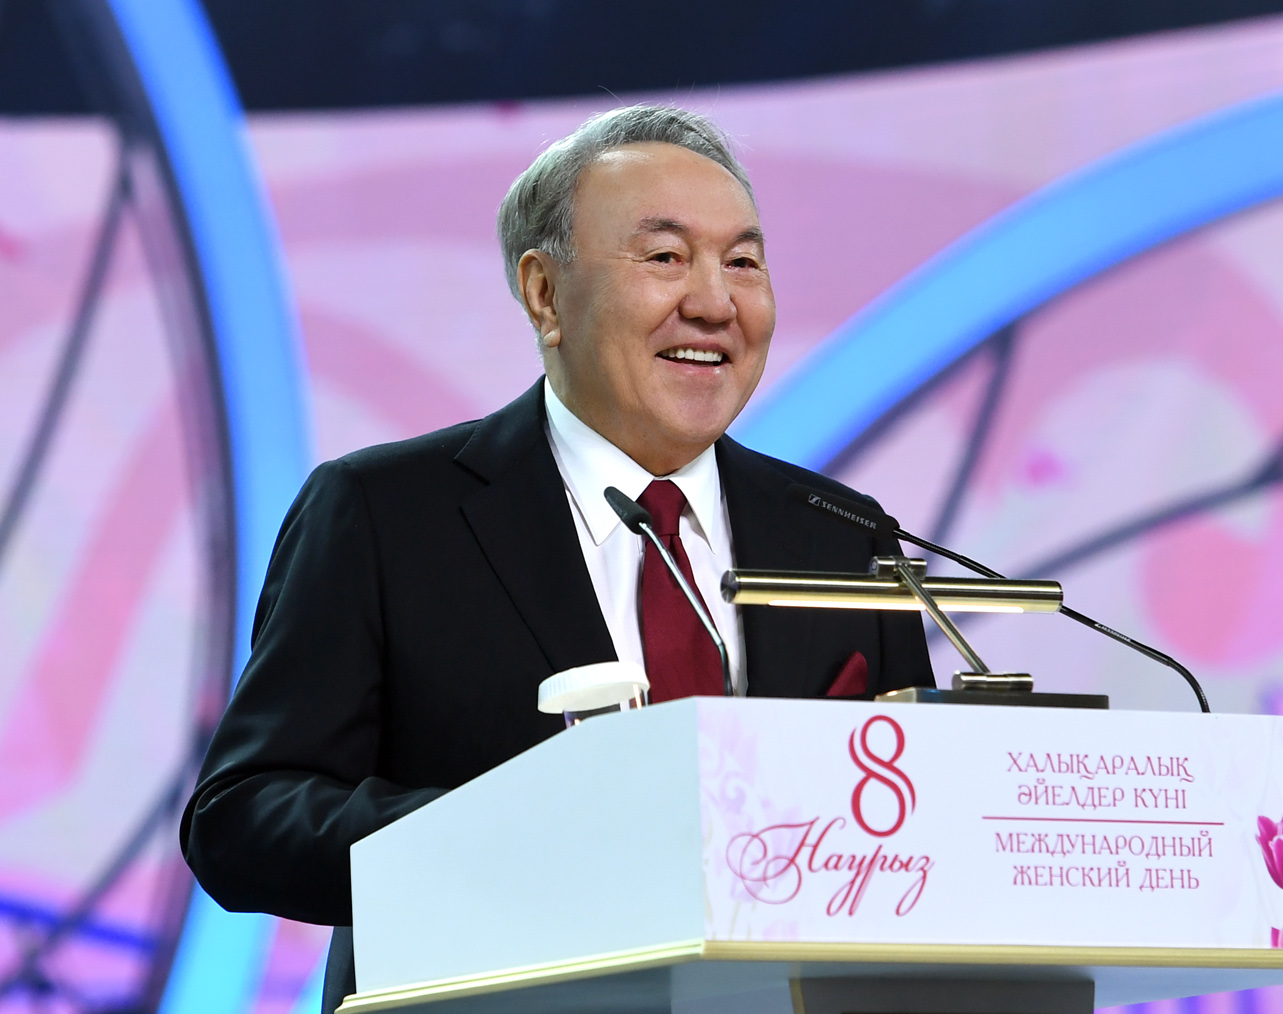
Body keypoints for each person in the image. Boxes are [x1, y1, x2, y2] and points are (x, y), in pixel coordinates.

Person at [179, 105, 934, 1013]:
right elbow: (243, 816)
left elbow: (917, 829)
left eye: (743, 262)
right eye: (665, 258)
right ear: (544, 294)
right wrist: (514, 837)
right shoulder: (384, 513)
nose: (714, 302)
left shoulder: (841, 535)